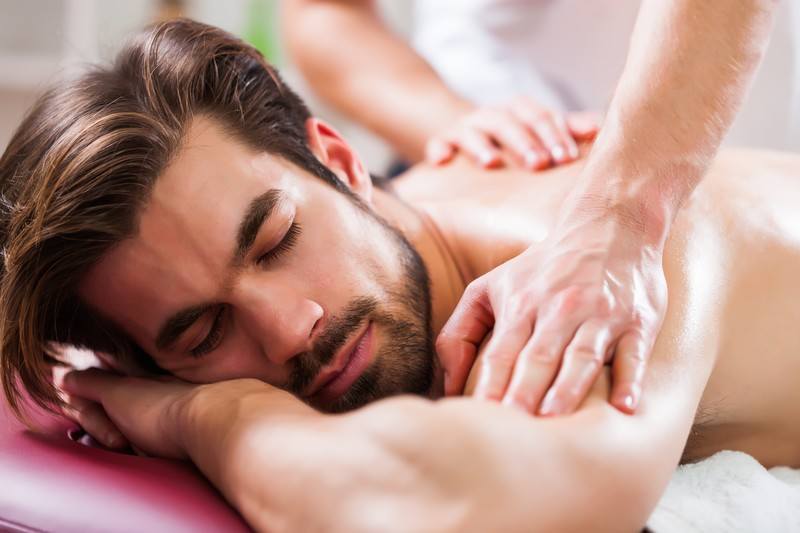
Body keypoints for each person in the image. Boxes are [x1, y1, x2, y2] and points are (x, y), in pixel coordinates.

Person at [1, 20, 799, 531]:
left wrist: (200, 412)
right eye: (205, 332)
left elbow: (424, 510)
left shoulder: (604, 281)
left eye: (277, 241)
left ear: (341, 162)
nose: (290, 329)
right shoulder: (409, 207)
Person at [285, 0, 786, 417]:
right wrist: (452, 123)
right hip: (468, 136)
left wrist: (622, 214)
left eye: (278, 239)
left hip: (711, 127)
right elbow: (322, 10)